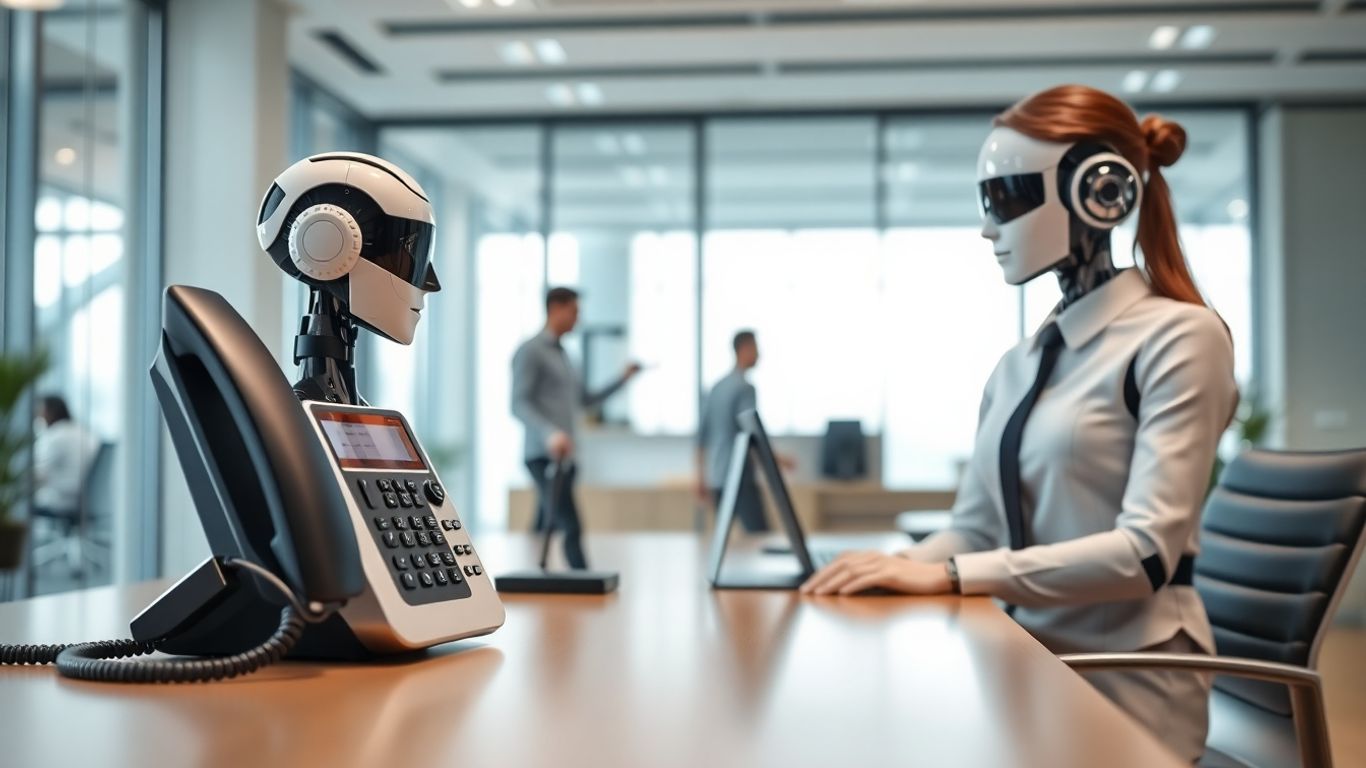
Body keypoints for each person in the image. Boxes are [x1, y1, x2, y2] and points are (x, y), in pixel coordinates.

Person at [800, 85, 1238, 763]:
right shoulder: (1020, 363)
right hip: (1025, 659)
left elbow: (1146, 553)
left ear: (1101, 191)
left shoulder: (1179, 337)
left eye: (1003, 198)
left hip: (1122, 681)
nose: (987, 227)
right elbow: (975, 526)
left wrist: (947, 575)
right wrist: (892, 564)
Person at [512, 287, 640, 569]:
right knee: (571, 525)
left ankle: (529, 577)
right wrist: (550, 433)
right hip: (543, 454)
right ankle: (585, 581)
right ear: (555, 309)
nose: (577, 319)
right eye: (574, 312)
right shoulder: (531, 351)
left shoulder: (568, 357)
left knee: (544, 523)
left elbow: (585, 400)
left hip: (567, 456)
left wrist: (622, 379)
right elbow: (518, 403)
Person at [696, 330, 766, 532]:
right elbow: (752, 433)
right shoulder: (745, 388)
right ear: (743, 349)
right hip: (740, 475)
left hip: (717, 475)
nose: (759, 354)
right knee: (761, 535)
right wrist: (776, 461)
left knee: (723, 538)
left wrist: (700, 476)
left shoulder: (717, 387)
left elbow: (701, 436)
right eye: (756, 348)